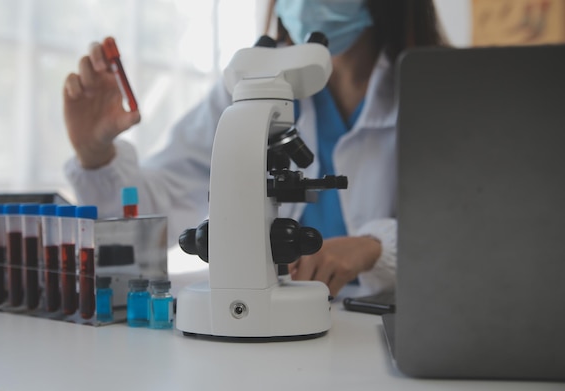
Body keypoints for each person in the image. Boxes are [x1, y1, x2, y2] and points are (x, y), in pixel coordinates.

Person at [63, 0, 444, 297]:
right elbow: (152, 212)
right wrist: (96, 154)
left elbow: (470, 230)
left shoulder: (449, 91)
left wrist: (374, 246)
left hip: (397, 322)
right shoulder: (250, 83)